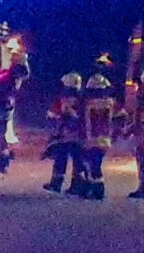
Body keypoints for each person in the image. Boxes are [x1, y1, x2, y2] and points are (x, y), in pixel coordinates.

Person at [78, 66, 117, 200]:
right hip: (105, 139)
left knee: (90, 164)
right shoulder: (111, 102)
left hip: (90, 139)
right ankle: (93, 189)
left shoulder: (86, 103)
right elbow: (119, 117)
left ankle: (96, 190)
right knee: (95, 163)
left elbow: (82, 120)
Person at [44, 71, 83, 193]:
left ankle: (56, 184)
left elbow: (54, 113)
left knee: (61, 160)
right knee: (78, 161)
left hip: (64, 136)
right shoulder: (82, 98)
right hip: (79, 136)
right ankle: (77, 185)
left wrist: (52, 116)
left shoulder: (62, 99)